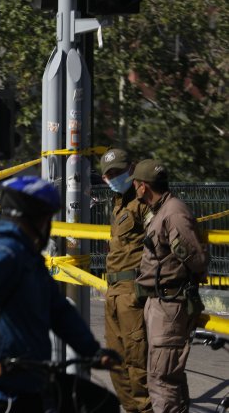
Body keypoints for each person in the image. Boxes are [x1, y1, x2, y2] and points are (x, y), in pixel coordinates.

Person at [0, 176, 119, 413]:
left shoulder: (29, 260)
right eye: (45, 219)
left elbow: (59, 311)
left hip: (30, 380)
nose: (48, 227)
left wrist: (92, 351)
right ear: (29, 219)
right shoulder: (3, 252)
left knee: (102, 404)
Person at [132, 159, 209, 413]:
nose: (134, 188)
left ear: (143, 186)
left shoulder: (173, 212)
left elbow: (195, 258)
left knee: (162, 380)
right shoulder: (162, 210)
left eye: (135, 184)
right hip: (160, 303)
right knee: (168, 379)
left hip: (169, 306)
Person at [99, 148, 153, 413]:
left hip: (133, 291)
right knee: (116, 362)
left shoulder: (144, 200)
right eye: (109, 175)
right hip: (114, 291)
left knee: (137, 364)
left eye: (118, 172)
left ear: (131, 169)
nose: (113, 177)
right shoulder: (118, 202)